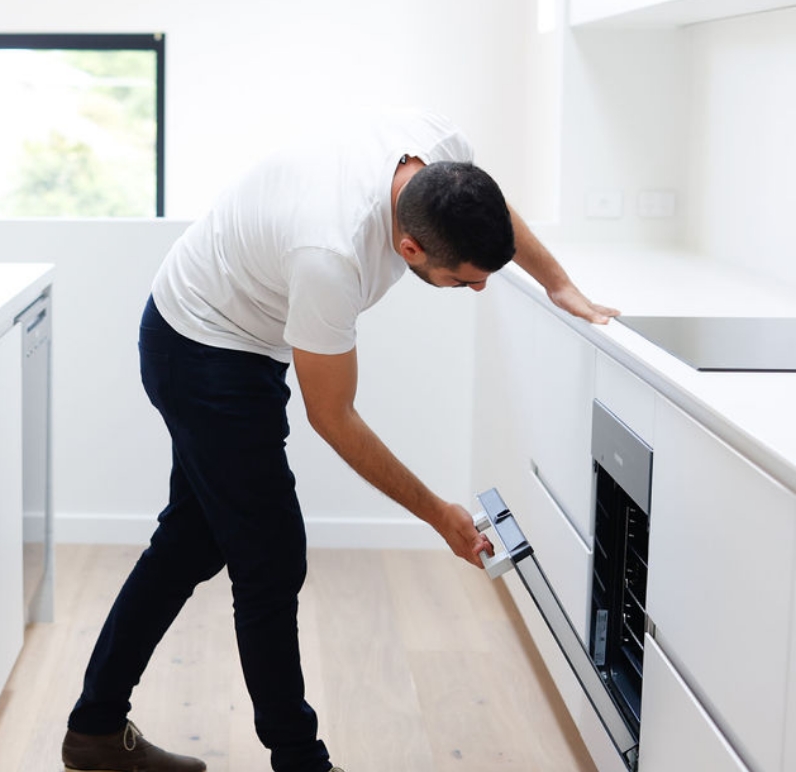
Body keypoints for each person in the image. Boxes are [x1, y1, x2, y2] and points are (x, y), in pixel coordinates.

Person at [59, 109, 619, 772]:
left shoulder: (441, 153)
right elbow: (334, 417)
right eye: (464, 279)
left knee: (192, 538)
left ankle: (94, 730)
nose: (477, 289)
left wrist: (559, 283)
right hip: (202, 347)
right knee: (269, 559)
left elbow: (491, 214)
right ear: (410, 249)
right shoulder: (331, 256)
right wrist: (441, 516)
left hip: (233, 330)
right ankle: (301, 762)